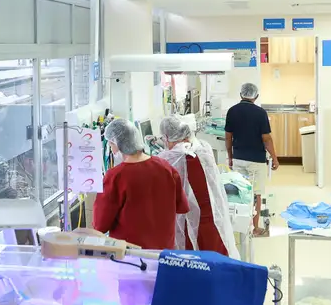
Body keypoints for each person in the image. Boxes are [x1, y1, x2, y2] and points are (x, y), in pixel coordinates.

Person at [93, 118, 190, 250]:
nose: (112, 151)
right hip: (163, 251)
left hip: (132, 255)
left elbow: (100, 225)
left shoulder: (115, 177)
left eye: (111, 146)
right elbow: (182, 207)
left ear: (118, 144)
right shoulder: (165, 167)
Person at [157, 115, 241, 258]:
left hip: (187, 223)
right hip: (212, 218)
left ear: (167, 137)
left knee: (192, 263)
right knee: (214, 261)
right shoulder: (203, 148)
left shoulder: (169, 160)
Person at [225, 83, 278, 236]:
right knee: (256, 194)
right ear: (256, 96)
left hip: (239, 158)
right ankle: (255, 228)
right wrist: (275, 158)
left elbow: (228, 138)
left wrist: (230, 157)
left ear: (241, 94)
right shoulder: (260, 113)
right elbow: (266, 139)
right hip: (256, 160)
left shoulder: (232, 111)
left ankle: (239, 226)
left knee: (239, 192)